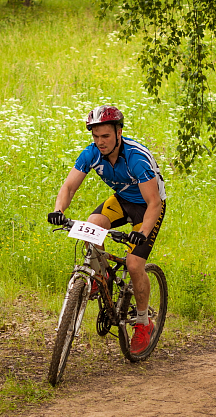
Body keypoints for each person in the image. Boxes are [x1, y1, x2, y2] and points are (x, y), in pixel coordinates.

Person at [47, 105, 166, 355]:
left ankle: (143, 322)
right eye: (95, 136)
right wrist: (59, 210)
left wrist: (142, 232)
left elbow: (154, 203)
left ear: (119, 132)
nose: (100, 142)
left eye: (105, 136)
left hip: (148, 206)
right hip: (122, 200)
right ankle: (103, 278)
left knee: (134, 264)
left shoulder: (136, 158)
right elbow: (68, 187)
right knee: (91, 226)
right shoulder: (92, 154)